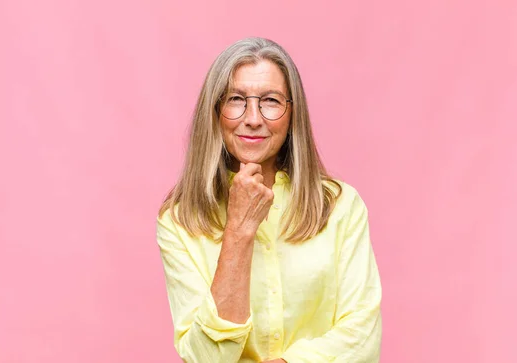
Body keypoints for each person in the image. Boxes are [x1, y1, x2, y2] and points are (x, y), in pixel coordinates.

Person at [156, 37, 382, 363]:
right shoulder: (179, 220)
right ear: (216, 110)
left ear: (293, 115)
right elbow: (204, 358)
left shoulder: (341, 206)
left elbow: (363, 335)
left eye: (271, 101)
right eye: (236, 99)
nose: (253, 118)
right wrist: (239, 231)